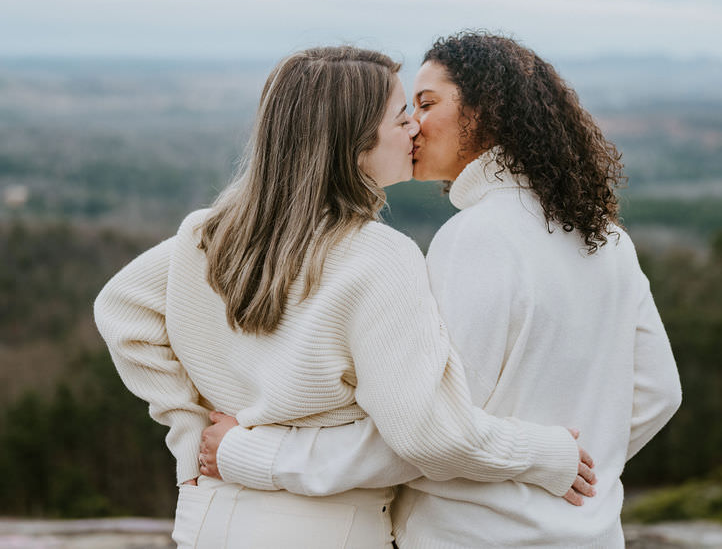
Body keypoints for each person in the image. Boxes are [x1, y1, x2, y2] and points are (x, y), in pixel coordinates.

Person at [93, 46, 595, 549]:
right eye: (401, 117)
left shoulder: (210, 232)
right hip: (322, 527)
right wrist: (545, 454)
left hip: (211, 518)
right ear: (352, 143)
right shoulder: (380, 256)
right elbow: (426, 435)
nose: (415, 129)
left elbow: (120, 309)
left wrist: (190, 435)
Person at [197, 32, 683, 548]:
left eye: (427, 104)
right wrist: (582, 460)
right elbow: (658, 394)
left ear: (489, 111)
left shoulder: (477, 237)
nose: (413, 124)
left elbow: (423, 435)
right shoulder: (607, 239)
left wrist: (253, 455)